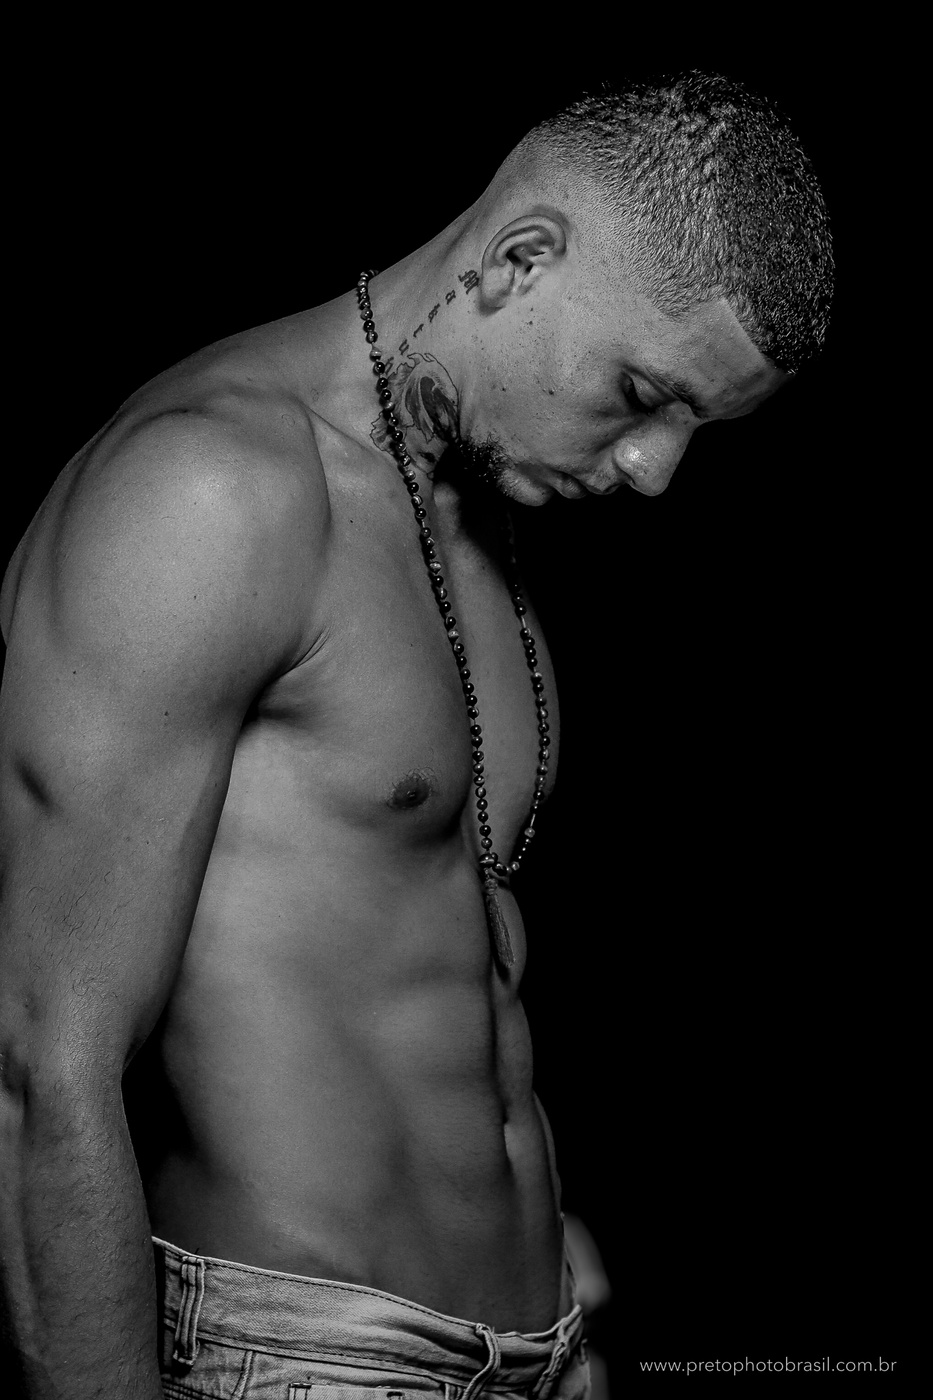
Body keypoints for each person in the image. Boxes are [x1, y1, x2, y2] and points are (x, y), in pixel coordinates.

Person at [0, 71, 832, 1399]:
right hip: (313, 1356)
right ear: (521, 257)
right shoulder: (213, 494)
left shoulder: (470, 498)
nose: (653, 470)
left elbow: (419, 951)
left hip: (534, 1351)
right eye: (640, 392)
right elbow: (45, 1061)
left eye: (692, 428)